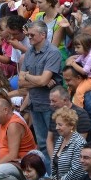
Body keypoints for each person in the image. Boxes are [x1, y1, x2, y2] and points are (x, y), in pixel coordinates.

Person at [18, 20, 63, 157]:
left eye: (32, 35)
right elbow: (21, 82)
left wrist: (28, 76)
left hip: (50, 105)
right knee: (42, 144)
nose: (29, 37)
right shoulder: (29, 53)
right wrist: (40, 81)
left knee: (55, 143)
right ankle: (48, 175)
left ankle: (56, 175)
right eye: (28, 35)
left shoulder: (53, 53)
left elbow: (42, 80)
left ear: (43, 35)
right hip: (35, 104)